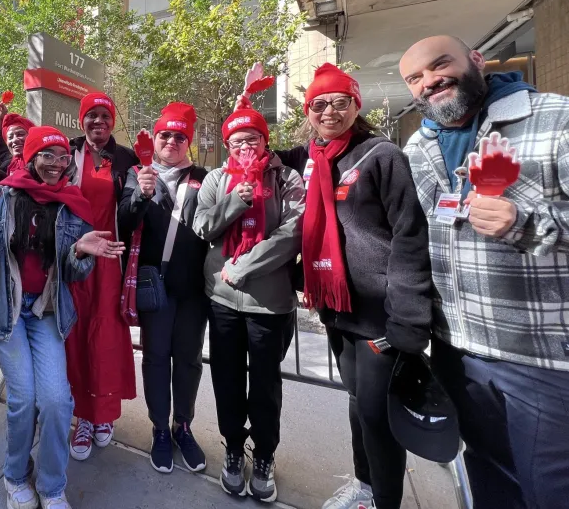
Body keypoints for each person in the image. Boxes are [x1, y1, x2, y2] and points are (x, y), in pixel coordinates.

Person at [400, 35, 569, 509]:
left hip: (541, 362)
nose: (430, 81)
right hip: (457, 351)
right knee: (490, 484)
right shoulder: (419, 144)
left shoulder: (555, 119)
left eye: (439, 65)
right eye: (415, 78)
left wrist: (525, 224)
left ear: (476, 60)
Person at [274, 64, 433, 509]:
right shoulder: (315, 157)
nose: (329, 112)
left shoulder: (381, 156)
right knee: (357, 400)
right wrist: (247, 100)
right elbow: (252, 145)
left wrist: (410, 315)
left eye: (339, 103)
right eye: (319, 105)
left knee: (376, 413)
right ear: (308, 112)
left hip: (382, 310)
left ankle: (385, 500)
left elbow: (410, 233)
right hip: (339, 307)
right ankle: (365, 488)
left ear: (355, 105)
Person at [0, 126, 125, 509]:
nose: (56, 165)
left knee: (56, 401)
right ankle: (15, 475)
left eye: (63, 158)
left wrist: (81, 254)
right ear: (32, 157)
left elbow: (72, 272)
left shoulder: (72, 203)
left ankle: (52, 486)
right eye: (47, 156)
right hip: (6, 310)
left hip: (45, 310)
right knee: (24, 398)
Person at [192, 95, 305, 502]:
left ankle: (265, 455)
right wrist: (237, 199)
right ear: (227, 145)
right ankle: (234, 449)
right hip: (222, 301)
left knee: (265, 385)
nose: (245, 147)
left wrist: (242, 267)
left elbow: (293, 232)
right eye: (237, 141)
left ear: (265, 140)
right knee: (226, 379)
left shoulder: (286, 178)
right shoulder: (215, 179)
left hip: (268, 304)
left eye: (252, 139)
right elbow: (203, 225)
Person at [117, 103, 210, 474]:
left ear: (187, 141)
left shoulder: (204, 177)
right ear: (154, 140)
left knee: (188, 361)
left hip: (194, 291)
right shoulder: (137, 174)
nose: (171, 141)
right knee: (156, 359)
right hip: (154, 289)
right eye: (164, 135)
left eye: (179, 136)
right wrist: (139, 194)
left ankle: (182, 425)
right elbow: (123, 220)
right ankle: (159, 428)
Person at [65, 92, 138, 461]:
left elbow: (134, 210)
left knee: (105, 337)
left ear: (112, 121)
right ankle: (83, 417)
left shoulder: (126, 158)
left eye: (105, 116)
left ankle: (104, 415)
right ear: (82, 120)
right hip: (73, 257)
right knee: (75, 335)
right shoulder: (68, 152)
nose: (98, 122)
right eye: (91, 115)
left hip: (109, 259)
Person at [0, 112, 34, 178]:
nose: (15, 140)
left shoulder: (41, 165)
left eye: (20, 134)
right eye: (10, 137)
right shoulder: (6, 166)